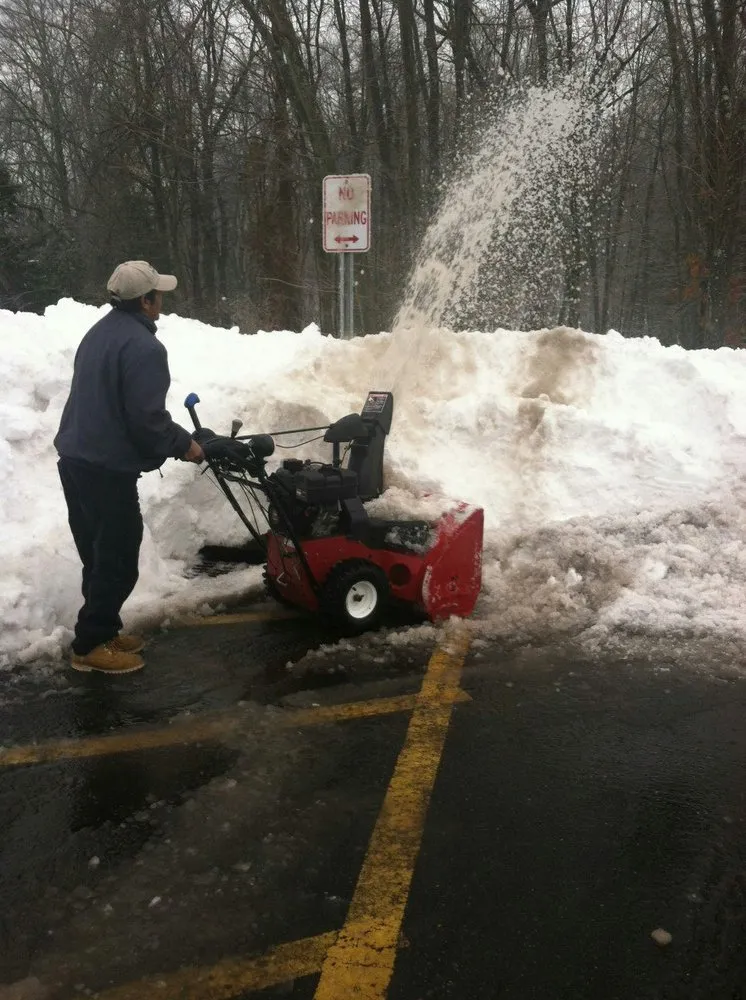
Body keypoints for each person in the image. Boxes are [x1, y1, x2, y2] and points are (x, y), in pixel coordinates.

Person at [54, 260, 204, 675]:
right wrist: (186, 445)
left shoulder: (98, 333)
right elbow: (147, 421)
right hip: (106, 469)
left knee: (98, 556)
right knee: (118, 561)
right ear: (145, 300)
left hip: (76, 461)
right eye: (158, 294)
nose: (162, 301)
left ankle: (103, 630)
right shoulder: (144, 347)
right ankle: (90, 646)